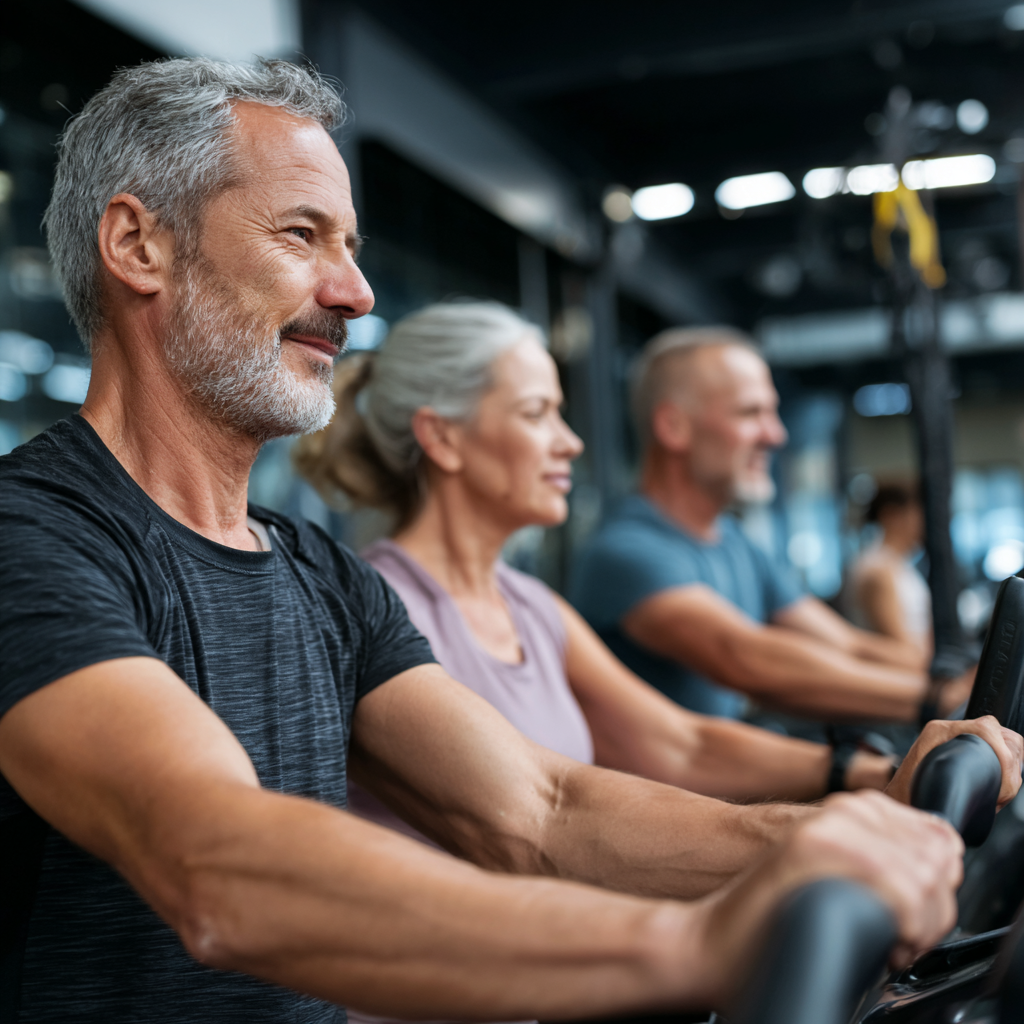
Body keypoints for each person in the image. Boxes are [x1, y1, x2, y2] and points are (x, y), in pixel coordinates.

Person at [0, 57, 1013, 1024]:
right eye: (303, 235)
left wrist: (860, 828)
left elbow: (541, 809)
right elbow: (214, 862)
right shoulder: (33, 538)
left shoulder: (315, 573)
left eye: (351, 246)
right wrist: (695, 944)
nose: (355, 293)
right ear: (139, 246)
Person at [295, 301, 925, 825]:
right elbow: (547, 811)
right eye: (537, 413)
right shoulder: (375, 610)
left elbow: (683, 744)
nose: (570, 442)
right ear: (442, 437)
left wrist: (864, 770)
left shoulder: (534, 608)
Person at [570, 327, 969, 724]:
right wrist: (938, 697)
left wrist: (952, 675)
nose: (776, 435)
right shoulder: (626, 551)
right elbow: (745, 658)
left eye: (772, 413)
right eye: (750, 413)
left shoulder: (736, 543)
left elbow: (845, 646)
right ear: (674, 427)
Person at [844, 482, 933, 661]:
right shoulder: (878, 571)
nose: (925, 523)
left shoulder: (900, 566)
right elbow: (902, 649)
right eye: (918, 514)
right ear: (892, 515)